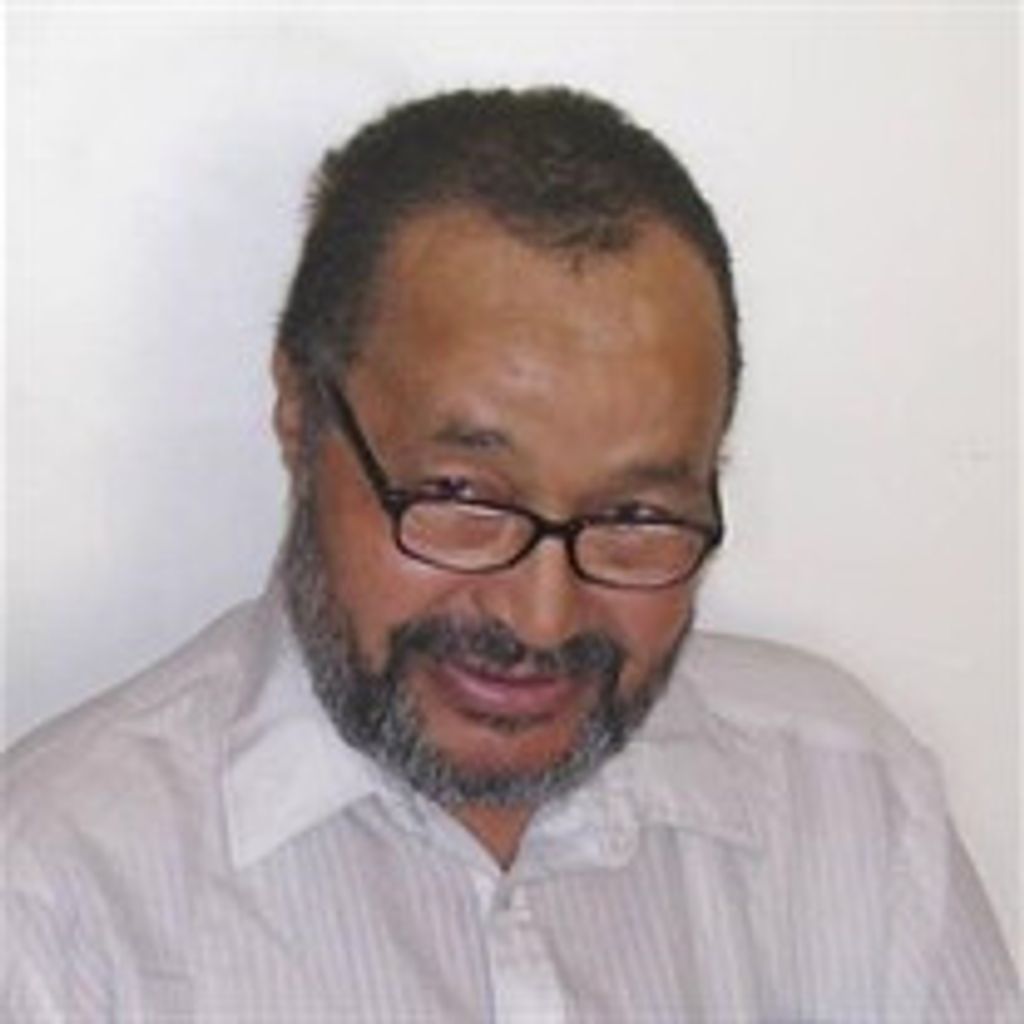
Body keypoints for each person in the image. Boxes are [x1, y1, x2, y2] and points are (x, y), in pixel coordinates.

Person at [3, 86, 1019, 1023]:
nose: (541, 617)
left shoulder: (851, 811)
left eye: (634, 515)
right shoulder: (55, 902)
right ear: (301, 411)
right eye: (461, 497)